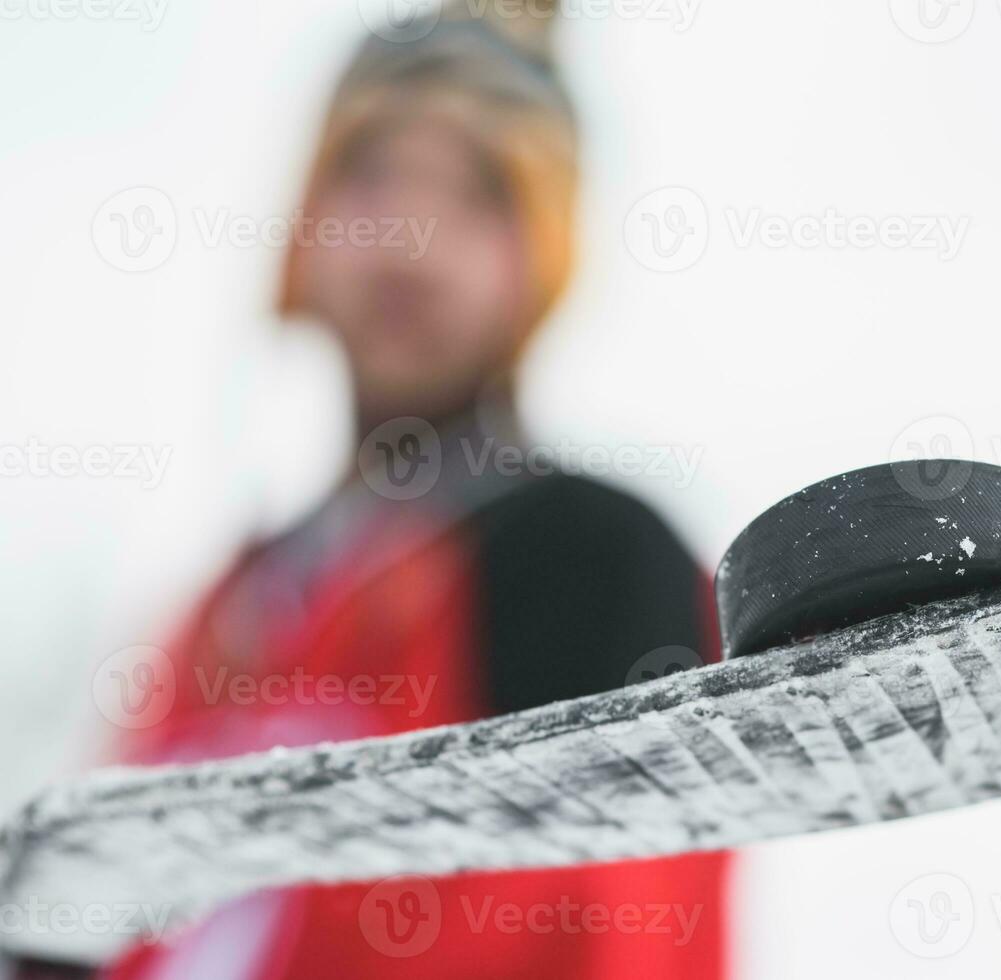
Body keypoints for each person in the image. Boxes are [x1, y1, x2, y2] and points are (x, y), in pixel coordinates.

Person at [77, 3, 730, 977]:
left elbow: (621, 932)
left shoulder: (588, 552)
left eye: (481, 194)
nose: (411, 246)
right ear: (305, 220)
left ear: (541, 254)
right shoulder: (221, 613)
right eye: (373, 175)